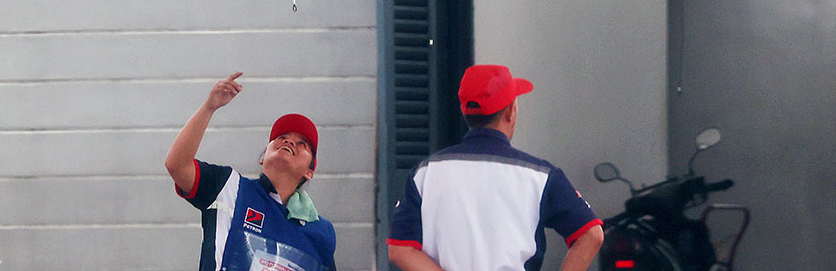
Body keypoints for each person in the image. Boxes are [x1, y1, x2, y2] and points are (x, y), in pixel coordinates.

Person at [387, 64, 604, 271]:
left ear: (465, 112)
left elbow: (400, 249)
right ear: (510, 111)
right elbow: (592, 235)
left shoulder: (426, 173)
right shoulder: (540, 176)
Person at [165, 72, 337, 271]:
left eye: (302, 144)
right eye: (282, 137)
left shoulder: (322, 232)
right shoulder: (228, 186)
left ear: (309, 172)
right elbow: (176, 165)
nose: (290, 142)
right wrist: (209, 107)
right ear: (264, 158)